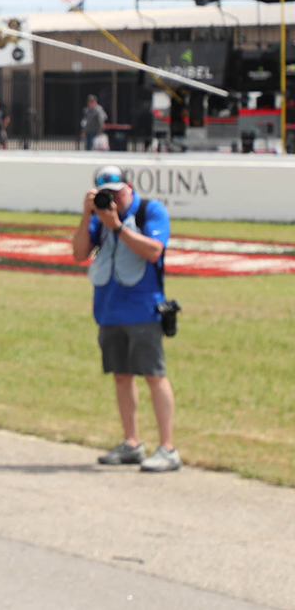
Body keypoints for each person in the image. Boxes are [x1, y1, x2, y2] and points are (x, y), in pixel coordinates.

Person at [72, 165, 179, 472]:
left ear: (129, 187)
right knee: (121, 375)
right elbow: (79, 253)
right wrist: (86, 215)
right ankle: (131, 443)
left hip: (143, 308)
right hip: (108, 308)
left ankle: (168, 448)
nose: (113, 198)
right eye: (107, 193)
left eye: (118, 191)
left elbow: (154, 250)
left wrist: (117, 226)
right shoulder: (97, 217)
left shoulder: (149, 210)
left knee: (154, 376)